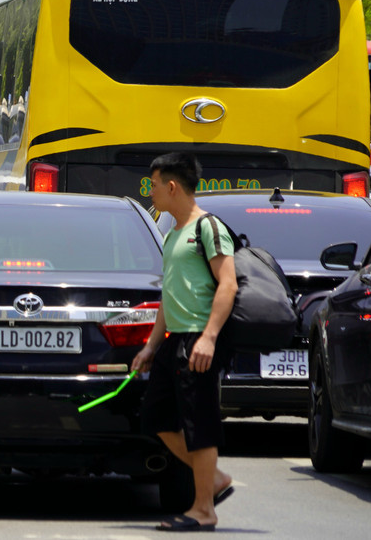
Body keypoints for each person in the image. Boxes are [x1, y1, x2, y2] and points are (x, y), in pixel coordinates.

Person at [132, 152, 239, 532]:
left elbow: (227, 283)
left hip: (199, 338)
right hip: (175, 340)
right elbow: (169, 295)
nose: (153, 192)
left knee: (199, 424)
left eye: (155, 185)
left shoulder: (207, 228)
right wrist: (150, 345)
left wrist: (209, 338)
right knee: (157, 418)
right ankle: (214, 480)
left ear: (172, 186)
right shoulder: (174, 233)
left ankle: (204, 509)